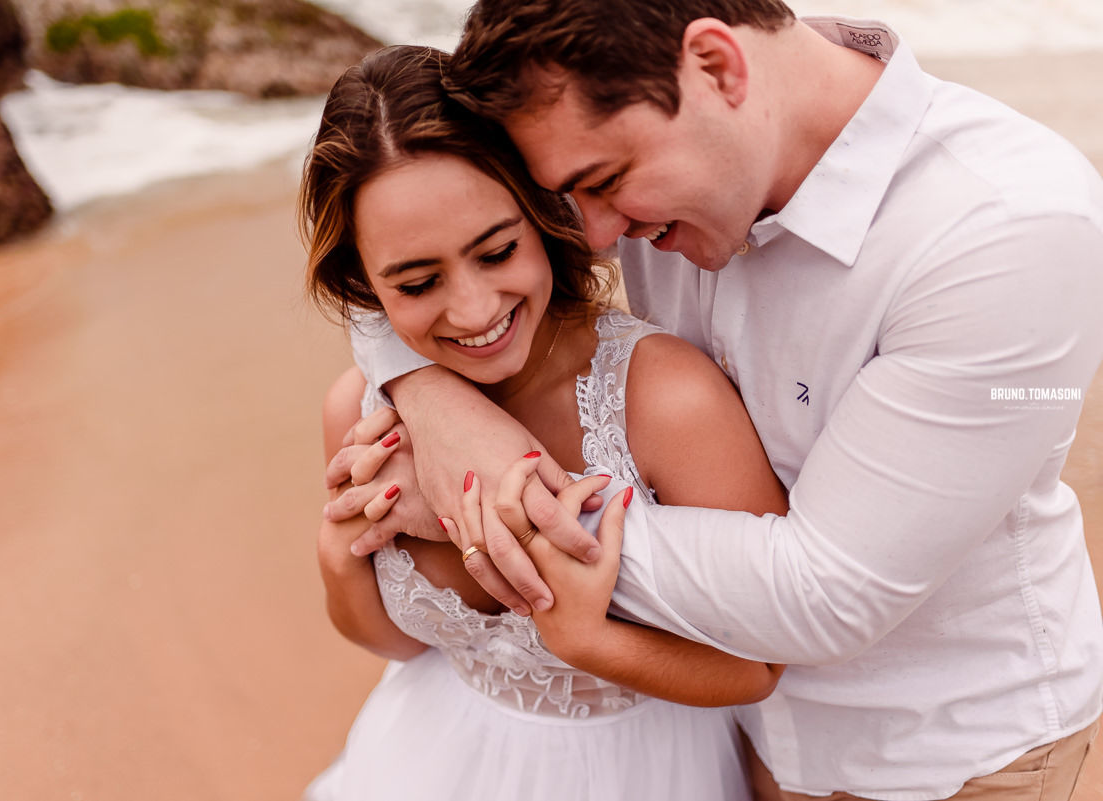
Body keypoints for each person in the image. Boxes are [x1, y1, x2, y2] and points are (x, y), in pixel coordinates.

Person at [330, 2, 1103, 799]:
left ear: (717, 67)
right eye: (564, 195)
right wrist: (434, 400)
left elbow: (828, 594)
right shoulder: (624, 135)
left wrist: (494, 501)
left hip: (950, 757)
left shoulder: (1007, 227)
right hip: (733, 742)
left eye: (604, 184)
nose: (592, 237)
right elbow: (396, 234)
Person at [301, 45, 789, 801]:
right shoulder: (359, 410)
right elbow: (399, 644)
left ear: (542, 213)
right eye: (418, 282)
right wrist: (340, 553)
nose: (474, 310)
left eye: (497, 252)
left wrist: (587, 639)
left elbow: (758, 667)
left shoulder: (666, 400)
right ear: (364, 283)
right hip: (425, 756)